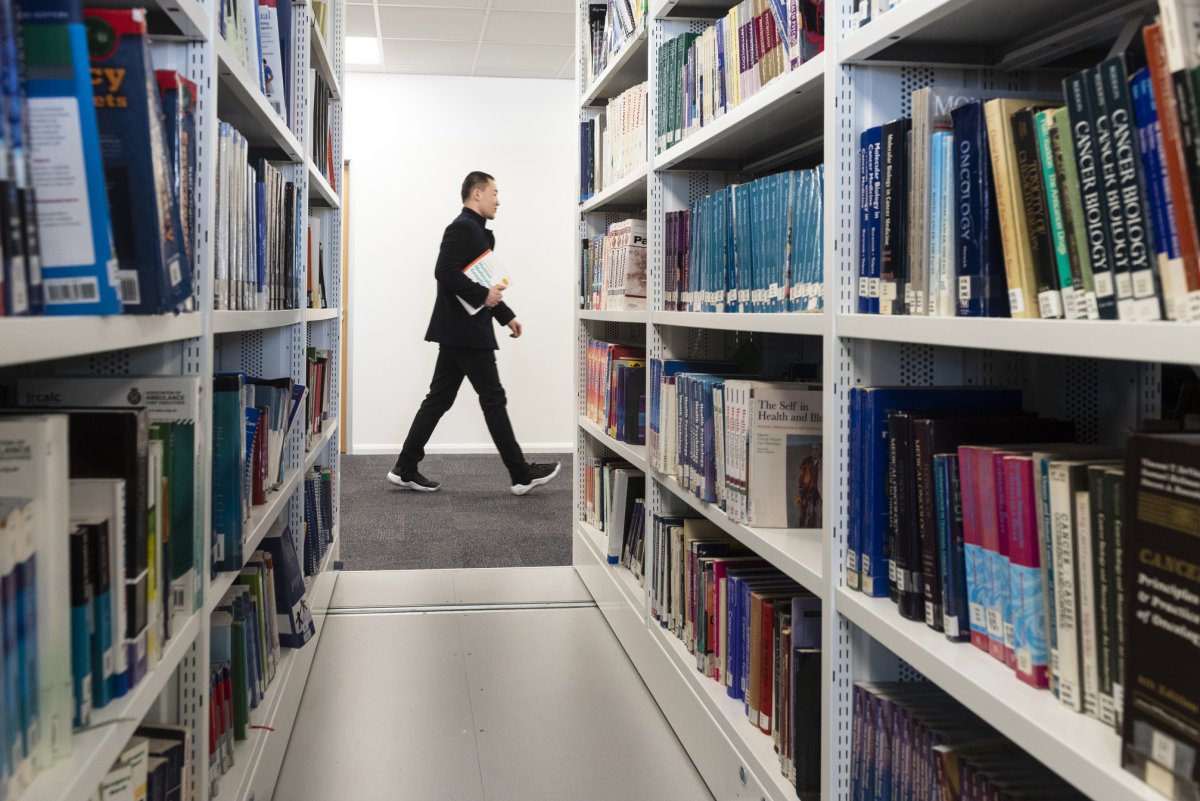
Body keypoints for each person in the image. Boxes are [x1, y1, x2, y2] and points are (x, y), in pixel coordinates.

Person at [387, 171, 560, 496]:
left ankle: (405, 466)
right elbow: (444, 271)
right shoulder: (462, 228)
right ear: (477, 193)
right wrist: (483, 296)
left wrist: (506, 316)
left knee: (439, 399)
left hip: (460, 331)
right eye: (495, 192)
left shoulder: (479, 233)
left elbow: (483, 281)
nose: (499, 199)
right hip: (464, 332)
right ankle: (520, 473)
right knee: (492, 398)